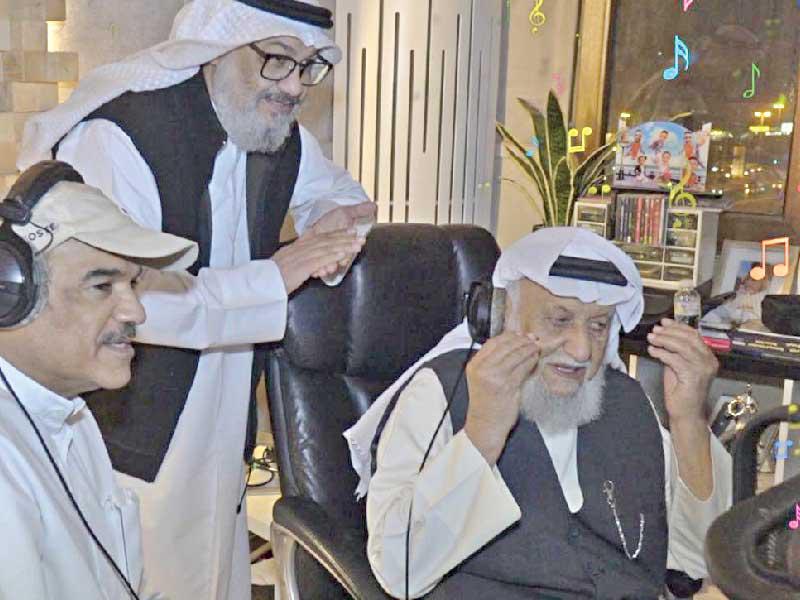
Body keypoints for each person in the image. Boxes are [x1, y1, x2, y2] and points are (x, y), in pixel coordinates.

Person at [18, 1, 373, 598]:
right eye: (278, 60)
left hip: (228, 426)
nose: (294, 87)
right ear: (218, 47)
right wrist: (275, 277)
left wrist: (327, 228)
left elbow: (342, 197)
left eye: (308, 66)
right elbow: (122, 305)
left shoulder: (273, 129)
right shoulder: (118, 136)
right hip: (134, 440)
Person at [349, 228, 732, 599]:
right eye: (559, 320)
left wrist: (688, 420)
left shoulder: (628, 403)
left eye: (598, 326)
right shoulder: (441, 393)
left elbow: (692, 565)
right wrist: (482, 434)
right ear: (502, 317)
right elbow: (398, 574)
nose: (581, 350)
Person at [0, 161, 199, 599]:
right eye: (102, 287)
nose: (136, 312)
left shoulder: (72, 417)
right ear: (11, 292)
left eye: (133, 285)